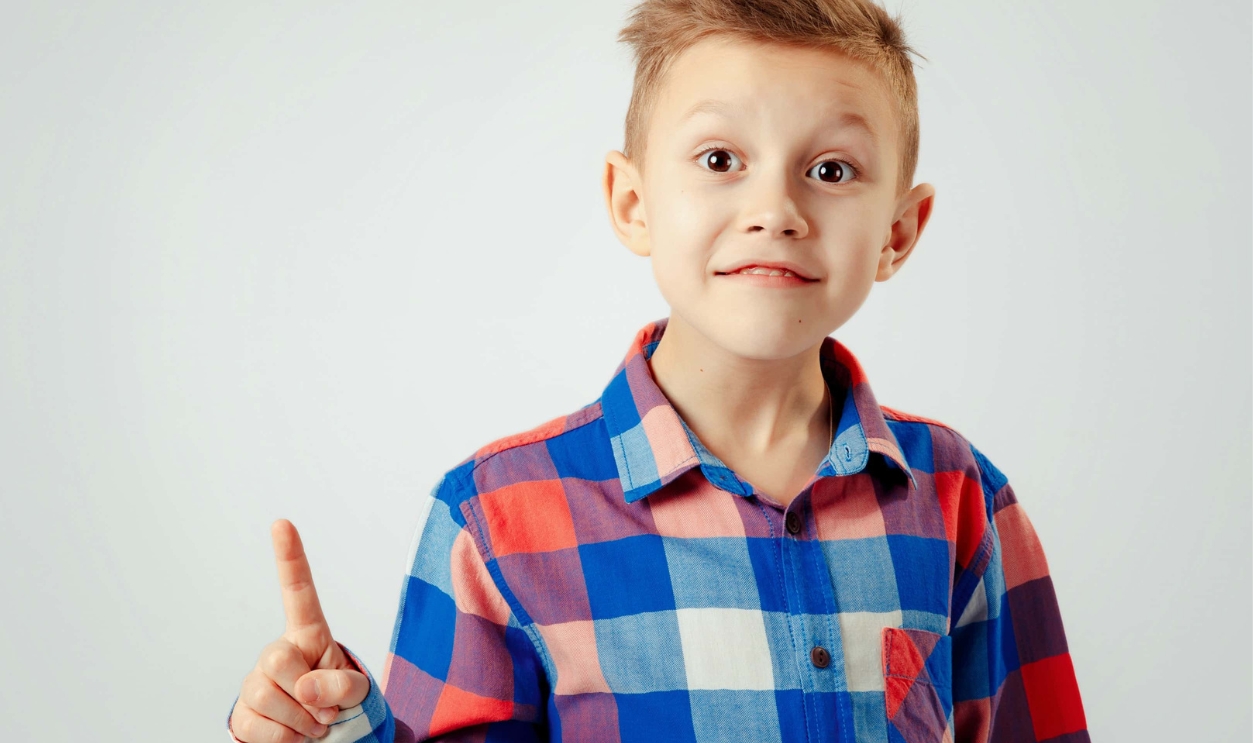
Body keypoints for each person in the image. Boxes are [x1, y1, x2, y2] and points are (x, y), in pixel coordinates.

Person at [227, 0, 1090, 740]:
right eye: (721, 161)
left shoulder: (961, 499)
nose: (774, 211)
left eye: (829, 169)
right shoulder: (493, 519)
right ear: (633, 202)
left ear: (899, 231)